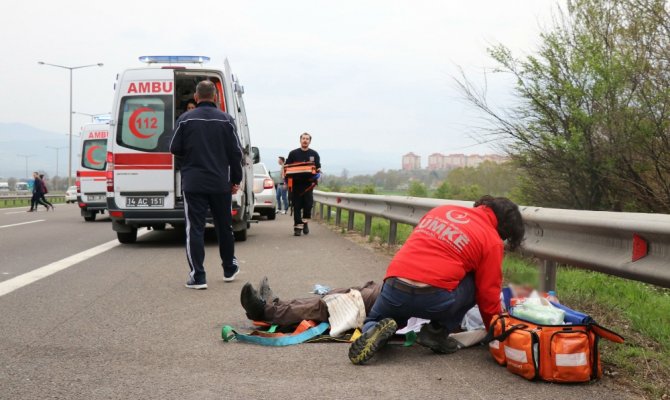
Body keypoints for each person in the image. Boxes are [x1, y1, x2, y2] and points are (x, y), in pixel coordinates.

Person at [348, 195, 525, 365]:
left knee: (376, 318)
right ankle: (436, 333)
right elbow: (488, 294)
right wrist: (495, 333)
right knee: (475, 281)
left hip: (395, 287)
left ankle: (372, 329)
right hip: (433, 300)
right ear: (503, 229)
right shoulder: (492, 240)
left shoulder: (441, 211)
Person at [169, 80, 244, 290]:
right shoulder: (227, 120)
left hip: (194, 183)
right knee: (224, 227)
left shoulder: (184, 120)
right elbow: (236, 153)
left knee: (195, 228)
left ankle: (198, 277)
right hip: (220, 183)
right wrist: (235, 180)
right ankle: (229, 268)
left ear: (196, 96)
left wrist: (189, 161)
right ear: (215, 97)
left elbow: (174, 147)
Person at [285, 133, 321, 236]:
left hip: (309, 185)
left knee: (308, 205)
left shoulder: (314, 154)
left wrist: (317, 174)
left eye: (307, 139)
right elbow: (287, 167)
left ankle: (305, 222)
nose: (305, 140)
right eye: (303, 138)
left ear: (310, 141)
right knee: (296, 206)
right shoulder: (293, 153)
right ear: (300, 140)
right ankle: (297, 228)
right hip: (296, 185)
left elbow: (318, 167)